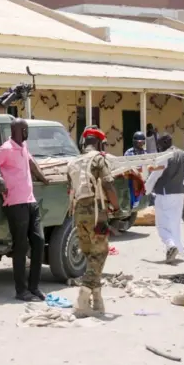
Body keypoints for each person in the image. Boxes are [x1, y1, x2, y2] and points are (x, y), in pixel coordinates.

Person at [0, 118, 49, 302]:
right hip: (15, 203)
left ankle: (34, 287)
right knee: (21, 247)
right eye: (25, 129)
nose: (27, 132)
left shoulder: (24, 146)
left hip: (31, 201)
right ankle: (21, 291)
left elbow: (31, 164)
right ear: (18, 131)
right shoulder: (6, 149)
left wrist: (44, 179)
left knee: (39, 242)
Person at [67, 126, 120, 317]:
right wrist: (117, 207)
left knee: (90, 256)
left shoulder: (73, 162)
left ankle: (97, 300)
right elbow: (108, 184)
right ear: (99, 143)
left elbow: (70, 190)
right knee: (100, 254)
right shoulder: (98, 159)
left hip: (78, 213)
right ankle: (82, 300)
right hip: (96, 212)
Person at [144, 134, 184, 263]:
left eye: (160, 144)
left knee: (162, 225)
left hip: (164, 194)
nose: (159, 147)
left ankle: (171, 245)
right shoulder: (183, 155)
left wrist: (145, 190)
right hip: (179, 194)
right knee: (175, 224)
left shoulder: (164, 157)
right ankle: (176, 249)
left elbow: (154, 176)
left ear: (165, 143)